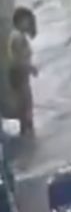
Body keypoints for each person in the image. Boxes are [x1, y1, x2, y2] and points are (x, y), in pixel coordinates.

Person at [7, 7, 38, 139]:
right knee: (25, 107)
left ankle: (27, 134)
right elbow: (18, 59)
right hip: (19, 76)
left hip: (18, 76)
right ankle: (27, 135)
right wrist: (30, 68)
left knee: (24, 107)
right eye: (27, 21)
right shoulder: (18, 37)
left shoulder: (16, 35)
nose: (29, 24)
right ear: (20, 21)